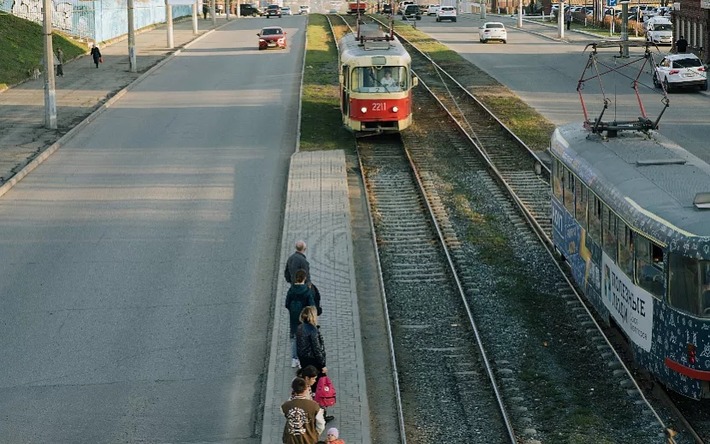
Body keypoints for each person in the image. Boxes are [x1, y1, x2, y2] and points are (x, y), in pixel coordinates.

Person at [296, 306, 334, 423]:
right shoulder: (313, 330)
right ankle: (321, 415)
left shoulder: (300, 328)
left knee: (309, 388)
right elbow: (317, 349)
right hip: (314, 363)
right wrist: (322, 365)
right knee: (319, 389)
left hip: (305, 362)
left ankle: (310, 413)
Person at [286, 269, 316, 368]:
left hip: (293, 317)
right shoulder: (307, 291)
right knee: (304, 338)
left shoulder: (291, 289)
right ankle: (302, 359)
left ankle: (294, 359)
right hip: (304, 317)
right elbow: (311, 305)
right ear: (304, 278)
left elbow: (287, 303)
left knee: (295, 337)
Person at [281, 377, 325, 444]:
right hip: (308, 440)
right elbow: (321, 424)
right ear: (306, 389)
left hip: (290, 440)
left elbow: (284, 413)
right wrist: (315, 434)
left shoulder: (285, 406)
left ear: (293, 389)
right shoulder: (314, 406)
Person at [285, 240, 322, 315]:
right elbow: (307, 275)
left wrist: (291, 281)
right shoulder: (303, 261)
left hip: (294, 285)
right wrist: (309, 285)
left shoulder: (290, 258)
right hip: (303, 285)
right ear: (304, 249)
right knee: (315, 297)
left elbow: (286, 273)